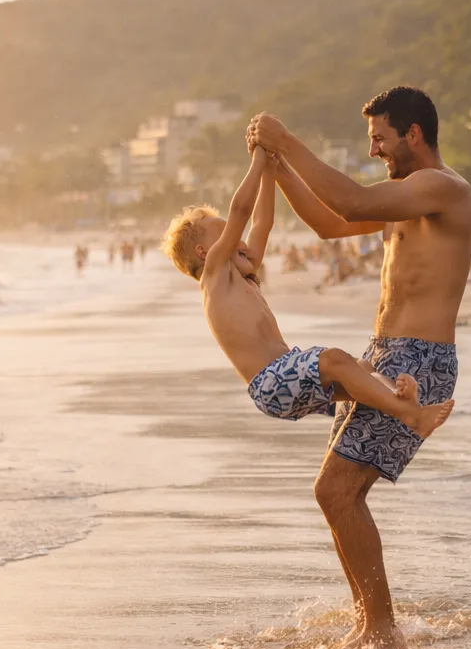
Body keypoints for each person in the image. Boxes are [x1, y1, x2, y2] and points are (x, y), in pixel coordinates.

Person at [249, 86, 471, 649]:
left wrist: (286, 141)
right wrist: (277, 169)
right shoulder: (406, 196)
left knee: (335, 490)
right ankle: (370, 623)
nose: (374, 150)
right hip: (385, 356)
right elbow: (330, 224)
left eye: (379, 138)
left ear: (413, 134)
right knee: (339, 495)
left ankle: (382, 630)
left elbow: (349, 201)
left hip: (418, 360)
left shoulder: (442, 188)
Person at [161, 148, 453, 443]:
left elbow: (261, 224)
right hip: (271, 383)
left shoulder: (243, 276)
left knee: (362, 369)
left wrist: (269, 173)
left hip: (288, 377)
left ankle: (399, 398)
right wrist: (258, 160)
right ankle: (411, 415)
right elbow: (240, 212)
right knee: (335, 359)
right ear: (205, 253)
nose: (241, 240)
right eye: (228, 236)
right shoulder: (214, 276)